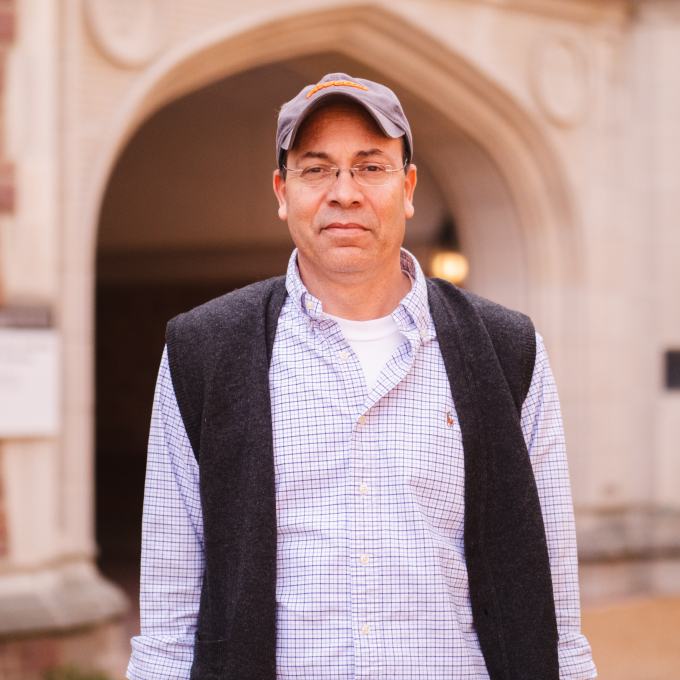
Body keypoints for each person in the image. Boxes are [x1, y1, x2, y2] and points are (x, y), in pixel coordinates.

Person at [127, 73, 597, 680]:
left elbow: (553, 604)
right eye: (316, 168)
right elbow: (169, 616)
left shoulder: (507, 350)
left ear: (408, 187)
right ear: (282, 190)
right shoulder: (204, 351)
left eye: (370, 167)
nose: (344, 192)